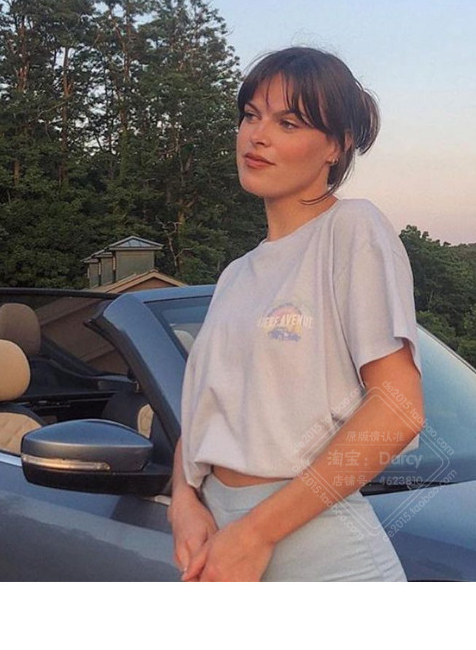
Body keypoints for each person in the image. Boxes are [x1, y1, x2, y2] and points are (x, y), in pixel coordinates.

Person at [168, 46, 424, 582]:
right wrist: (183, 500)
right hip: (223, 548)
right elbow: (206, 414)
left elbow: (398, 410)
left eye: (288, 123)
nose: (257, 136)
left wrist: (257, 533)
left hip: (321, 553)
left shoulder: (351, 231)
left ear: (337, 144)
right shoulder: (236, 275)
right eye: (251, 115)